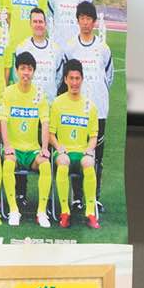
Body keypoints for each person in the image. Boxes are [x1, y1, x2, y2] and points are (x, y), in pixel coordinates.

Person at [60, 0, 114, 211]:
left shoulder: (103, 48)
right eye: (82, 18)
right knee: (76, 152)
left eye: (88, 19)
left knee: (96, 156)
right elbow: (64, 77)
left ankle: (94, 197)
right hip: (76, 110)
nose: (85, 22)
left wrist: (98, 95)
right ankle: (77, 197)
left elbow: (108, 77)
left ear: (94, 22)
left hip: (98, 110)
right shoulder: (70, 47)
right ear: (77, 20)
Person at [0, 51, 51, 228]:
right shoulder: (8, 92)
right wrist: (7, 146)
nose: (26, 73)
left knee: (45, 164)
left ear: (33, 71)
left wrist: (44, 148)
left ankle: (41, 212)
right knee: (8, 163)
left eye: (29, 69)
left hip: (32, 150)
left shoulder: (39, 94)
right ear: (16, 71)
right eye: (22, 68)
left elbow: (45, 122)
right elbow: (3, 120)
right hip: (14, 149)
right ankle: (14, 210)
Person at [45, 60, 98, 229]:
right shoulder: (57, 103)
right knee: (63, 161)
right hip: (63, 152)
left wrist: (89, 150)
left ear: (82, 79)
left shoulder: (90, 106)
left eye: (77, 78)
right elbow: (51, 134)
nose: (74, 82)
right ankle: (65, 212)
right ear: (65, 80)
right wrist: (58, 146)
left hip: (82, 152)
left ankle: (90, 213)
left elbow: (93, 136)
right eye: (71, 78)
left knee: (89, 162)